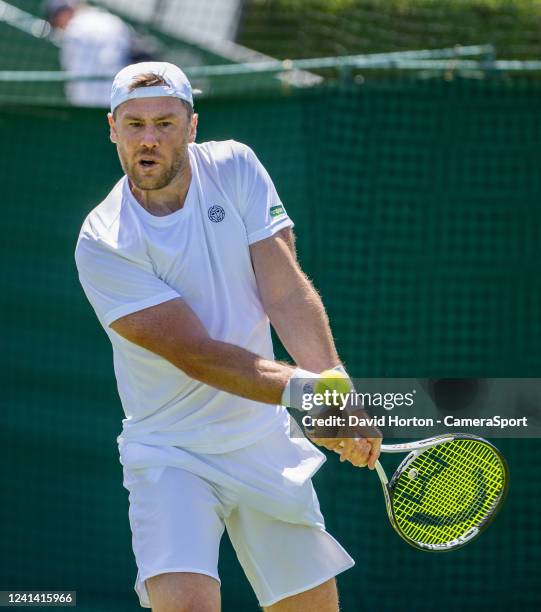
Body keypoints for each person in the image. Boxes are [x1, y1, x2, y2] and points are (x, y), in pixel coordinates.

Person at [75, 61, 381, 611]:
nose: (149, 139)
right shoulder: (102, 241)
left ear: (192, 128)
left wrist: (335, 390)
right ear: (112, 129)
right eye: (135, 124)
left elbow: (285, 293)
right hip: (171, 453)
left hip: (264, 443)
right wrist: (310, 396)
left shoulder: (236, 167)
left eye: (165, 124)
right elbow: (197, 355)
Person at [43, 0, 131, 107]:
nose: (59, 27)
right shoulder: (108, 19)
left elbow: (76, 73)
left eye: (56, 22)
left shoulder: (74, 31)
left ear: (62, 15)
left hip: (94, 101)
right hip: (122, 97)